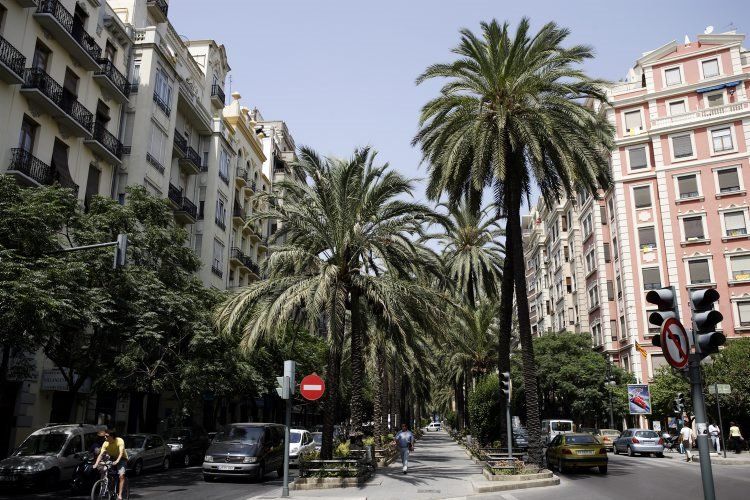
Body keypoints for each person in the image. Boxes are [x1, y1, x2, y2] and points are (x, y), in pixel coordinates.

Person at [93, 430, 128, 500]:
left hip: (122, 458)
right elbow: (100, 455)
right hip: (112, 458)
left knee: (121, 476)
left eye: (106, 436)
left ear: (112, 436)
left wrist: (117, 461)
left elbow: (121, 453)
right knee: (106, 472)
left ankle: (120, 495)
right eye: (104, 436)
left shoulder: (119, 441)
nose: (105, 437)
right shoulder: (105, 443)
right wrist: (96, 464)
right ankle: (109, 490)